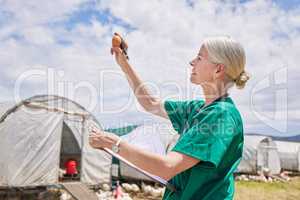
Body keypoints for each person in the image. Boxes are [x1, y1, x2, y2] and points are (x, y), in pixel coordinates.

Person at [89, 36, 250, 199]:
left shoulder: (220, 115)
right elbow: (150, 103)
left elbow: (167, 167)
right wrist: (123, 63)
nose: (192, 62)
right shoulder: (197, 109)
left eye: (199, 58)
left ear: (218, 70)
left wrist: (115, 144)